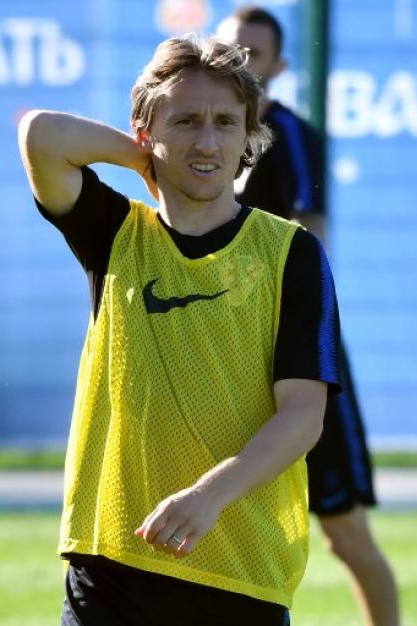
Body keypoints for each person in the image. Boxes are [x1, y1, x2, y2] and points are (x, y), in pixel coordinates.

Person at [17, 34, 343, 625]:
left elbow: (303, 416)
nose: (208, 142)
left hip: (240, 574)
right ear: (147, 129)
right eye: (186, 121)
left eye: (226, 123)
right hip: (111, 567)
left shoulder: (290, 253)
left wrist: (209, 495)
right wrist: (145, 159)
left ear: (249, 136)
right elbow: (42, 136)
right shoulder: (114, 233)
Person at [218, 8, 401, 626]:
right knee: (209, 523)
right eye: (230, 50)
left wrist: (277, 315)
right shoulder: (199, 137)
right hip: (224, 355)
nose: (240, 64)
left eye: (254, 55)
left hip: (295, 358)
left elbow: (310, 238)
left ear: (279, 67)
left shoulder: (291, 137)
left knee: (345, 534)